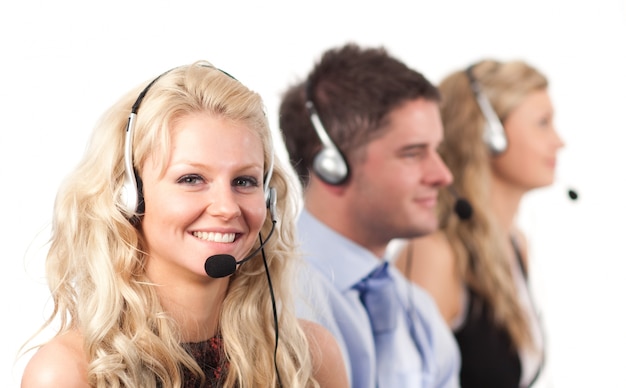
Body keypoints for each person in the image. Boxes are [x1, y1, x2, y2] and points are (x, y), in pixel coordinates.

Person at [20, 61, 348, 387]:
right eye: (192, 178)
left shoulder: (308, 360)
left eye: (245, 181)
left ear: (268, 198)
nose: (226, 207)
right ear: (129, 196)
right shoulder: (69, 372)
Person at [278, 43, 461, 388]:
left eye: (435, 151)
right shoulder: (270, 300)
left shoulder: (418, 310)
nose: (443, 175)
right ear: (331, 167)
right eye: (412, 153)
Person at [394, 59, 564, 387]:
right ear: (490, 135)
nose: (559, 141)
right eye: (543, 123)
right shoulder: (435, 255)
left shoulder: (515, 243)